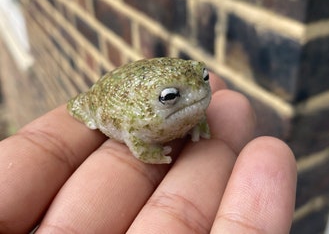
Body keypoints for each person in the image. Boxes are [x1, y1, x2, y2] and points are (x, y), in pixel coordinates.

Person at [0, 74, 296, 233]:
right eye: (171, 96)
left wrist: (197, 120)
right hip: (109, 95)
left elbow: (197, 102)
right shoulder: (141, 117)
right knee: (85, 108)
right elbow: (132, 131)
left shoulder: (195, 97)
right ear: (160, 100)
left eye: (203, 77)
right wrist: (149, 152)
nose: (201, 91)